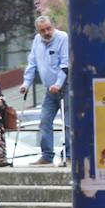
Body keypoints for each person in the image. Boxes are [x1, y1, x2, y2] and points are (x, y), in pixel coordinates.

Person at [20, 15, 70, 166]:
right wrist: (26, 83)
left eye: (48, 28)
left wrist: (59, 83)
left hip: (66, 87)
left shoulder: (62, 38)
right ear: (38, 31)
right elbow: (32, 64)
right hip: (49, 90)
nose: (47, 32)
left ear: (53, 26)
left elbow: (65, 64)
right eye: (42, 30)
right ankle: (47, 156)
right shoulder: (37, 40)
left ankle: (69, 155)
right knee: (44, 120)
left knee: (67, 123)